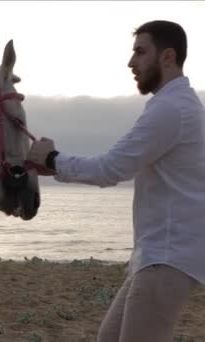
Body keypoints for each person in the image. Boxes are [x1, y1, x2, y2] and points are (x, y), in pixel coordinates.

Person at [27, 20, 204, 342]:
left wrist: (52, 159)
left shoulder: (171, 109)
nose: (131, 62)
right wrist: (54, 167)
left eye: (140, 51)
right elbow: (117, 165)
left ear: (167, 57)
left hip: (168, 255)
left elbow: (112, 169)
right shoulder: (176, 106)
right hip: (158, 255)